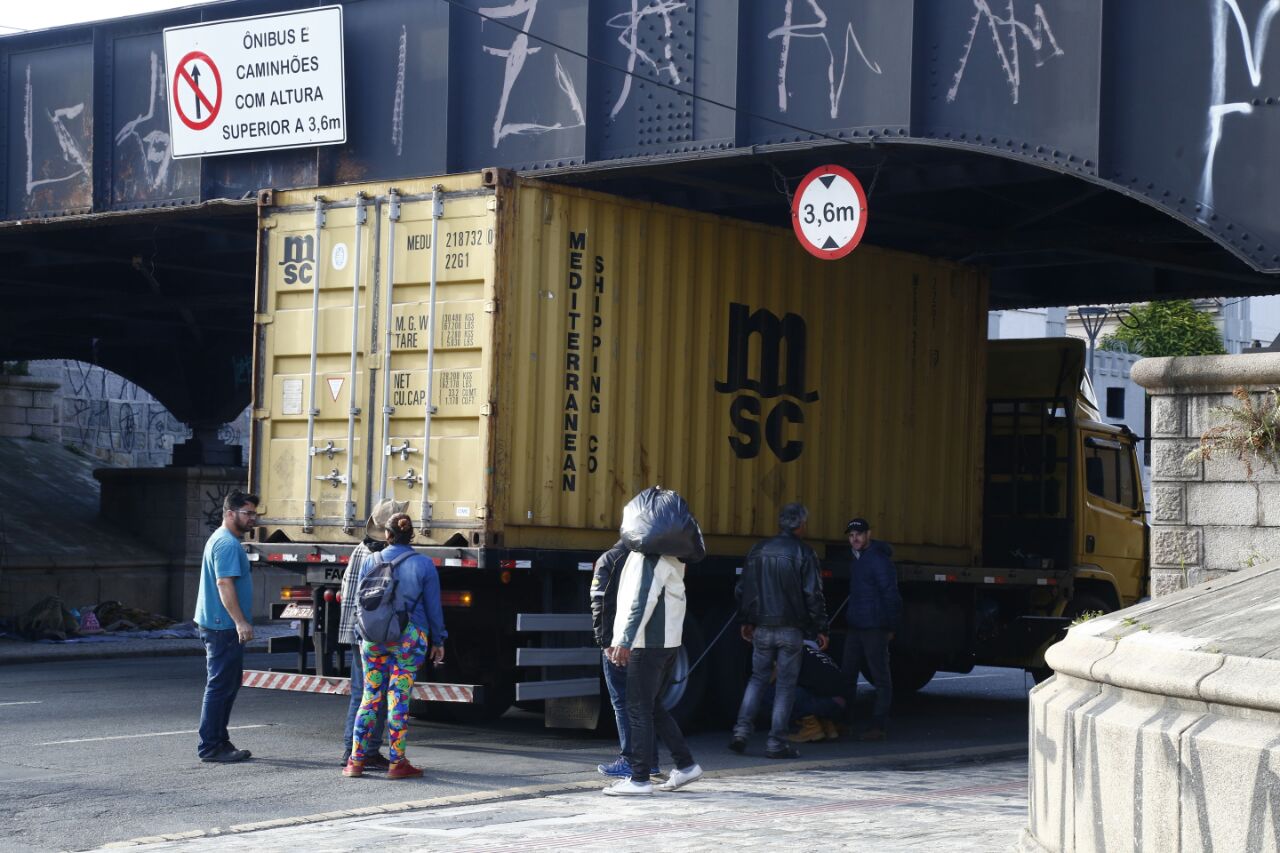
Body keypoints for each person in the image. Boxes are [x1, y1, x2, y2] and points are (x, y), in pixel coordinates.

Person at [343, 512, 447, 779]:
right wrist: (439, 640)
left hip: (373, 637)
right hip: (409, 638)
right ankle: (396, 762)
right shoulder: (424, 565)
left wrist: (360, 632)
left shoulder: (370, 560)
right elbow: (434, 608)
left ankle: (355, 761)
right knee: (398, 697)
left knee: (370, 695)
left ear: (387, 535)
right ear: (411, 535)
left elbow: (359, 600)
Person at [729, 502, 829, 759]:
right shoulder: (805, 552)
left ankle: (741, 732)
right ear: (801, 525)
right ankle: (776, 744)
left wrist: (746, 621)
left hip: (762, 628)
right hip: (791, 630)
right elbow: (813, 594)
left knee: (757, 679)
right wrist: (820, 627)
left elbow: (744, 589)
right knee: (785, 686)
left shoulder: (758, 549)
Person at [604, 550, 703, 795]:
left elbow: (642, 601)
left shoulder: (649, 558)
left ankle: (639, 778)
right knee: (653, 706)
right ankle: (686, 765)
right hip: (667, 643)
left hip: (647, 644)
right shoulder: (673, 556)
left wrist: (624, 640)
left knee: (637, 708)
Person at [336, 498, 407, 769]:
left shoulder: (361, 550)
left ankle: (363, 750)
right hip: (374, 631)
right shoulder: (382, 556)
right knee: (368, 691)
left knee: (365, 691)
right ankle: (355, 750)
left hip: (359, 628)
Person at [195, 489, 259, 763]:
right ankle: (211, 745)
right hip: (222, 626)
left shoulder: (224, 540)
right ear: (230, 513)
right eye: (248, 513)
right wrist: (240, 621)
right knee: (221, 686)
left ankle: (219, 741)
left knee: (226, 685)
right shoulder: (227, 544)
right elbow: (224, 584)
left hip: (220, 625)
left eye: (254, 514)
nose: (252, 519)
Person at [590, 539, 660, 779]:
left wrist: (605, 642)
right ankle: (650, 762)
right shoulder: (647, 559)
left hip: (619, 642)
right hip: (645, 641)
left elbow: (599, 603)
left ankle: (631, 759)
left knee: (622, 701)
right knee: (643, 704)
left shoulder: (610, 559)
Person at [841, 517, 902, 741]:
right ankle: (845, 722)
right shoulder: (858, 559)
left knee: (880, 678)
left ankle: (878, 725)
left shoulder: (878, 560)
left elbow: (891, 594)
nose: (854, 538)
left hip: (875, 626)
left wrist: (892, 626)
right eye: (851, 535)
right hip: (856, 626)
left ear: (868, 534)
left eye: (858, 534)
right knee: (847, 674)